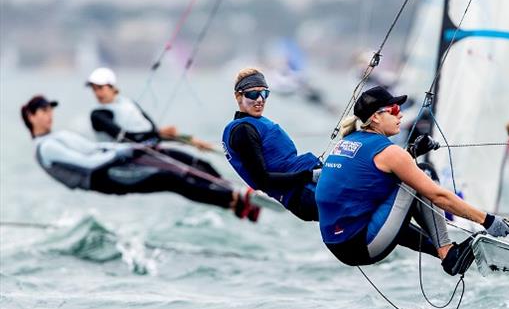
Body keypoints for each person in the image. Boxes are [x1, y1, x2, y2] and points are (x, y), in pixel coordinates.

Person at [315, 86, 509, 276]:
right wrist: (486, 220)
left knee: (407, 179)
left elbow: (371, 178)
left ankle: (444, 252)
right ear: (375, 117)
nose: (400, 115)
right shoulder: (388, 152)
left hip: (337, 243)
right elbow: (437, 195)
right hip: (362, 245)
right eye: (394, 110)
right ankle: (447, 252)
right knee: (423, 174)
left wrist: (411, 153)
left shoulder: (346, 142)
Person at [22, 95, 260, 221]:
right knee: (169, 179)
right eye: (44, 111)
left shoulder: (60, 135)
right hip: (104, 177)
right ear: (31, 117)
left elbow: (95, 148)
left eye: (50, 110)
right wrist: (120, 152)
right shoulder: (46, 148)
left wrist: (124, 148)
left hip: (114, 163)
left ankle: (234, 197)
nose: (49, 115)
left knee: (184, 163)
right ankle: (233, 200)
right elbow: (88, 163)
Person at [221, 68, 321, 221]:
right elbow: (262, 180)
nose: (260, 99)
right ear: (238, 96)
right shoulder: (243, 131)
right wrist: (310, 176)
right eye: (253, 94)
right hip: (304, 194)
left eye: (264, 93)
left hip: (308, 188)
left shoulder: (254, 124)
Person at [86, 67, 214, 150]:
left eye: (101, 88)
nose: (97, 93)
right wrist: (159, 133)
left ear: (112, 87)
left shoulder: (129, 103)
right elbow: (124, 137)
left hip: (146, 149)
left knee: (203, 165)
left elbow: (153, 131)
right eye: (94, 89)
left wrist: (190, 140)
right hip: (120, 158)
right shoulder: (98, 115)